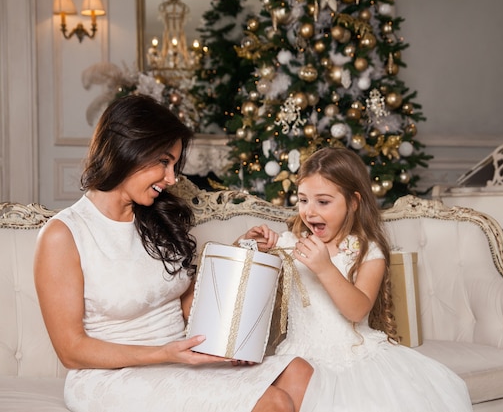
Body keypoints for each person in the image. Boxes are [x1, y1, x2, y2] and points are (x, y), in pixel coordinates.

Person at [34, 94, 313, 412]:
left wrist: (238, 254)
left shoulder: (154, 216)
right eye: (163, 162)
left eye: (174, 165)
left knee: (300, 372)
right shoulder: (63, 235)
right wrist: (166, 354)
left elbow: (185, 305)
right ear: (129, 149)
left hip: (178, 357)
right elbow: (71, 350)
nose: (172, 179)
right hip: (110, 377)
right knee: (272, 403)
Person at [239, 147, 473, 411]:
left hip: (355, 356)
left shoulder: (367, 250)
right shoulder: (291, 243)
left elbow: (357, 309)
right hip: (298, 356)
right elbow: (246, 284)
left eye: (323, 202)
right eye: (303, 200)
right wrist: (248, 245)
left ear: (353, 202)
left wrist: (325, 268)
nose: (310, 211)